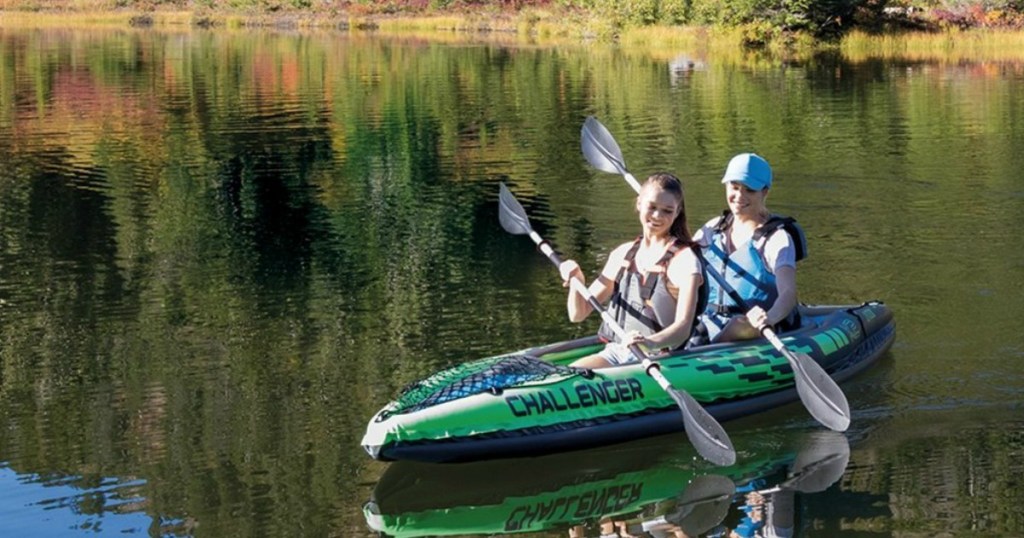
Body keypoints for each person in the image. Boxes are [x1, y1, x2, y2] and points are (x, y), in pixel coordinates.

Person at [558, 173, 703, 369]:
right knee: (569, 373)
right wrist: (577, 280)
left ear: (677, 213)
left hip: (664, 359)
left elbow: (683, 328)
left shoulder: (684, 261)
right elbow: (578, 314)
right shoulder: (622, 254)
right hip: (619, 352)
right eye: (651, 207)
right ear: (639, 204)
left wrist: (649, 343)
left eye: (667, 211)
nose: (657, 216)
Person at [693, 153, 800, 344]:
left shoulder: (776, 239)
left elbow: (788, 293)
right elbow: (683, 261)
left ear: (765, 192)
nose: (739, 196)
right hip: (708, 321)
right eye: (734, 187)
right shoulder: (713, 228)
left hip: (751, 327)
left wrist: (770, 318)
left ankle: (705, 351)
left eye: (749, 190)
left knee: (739, 325)